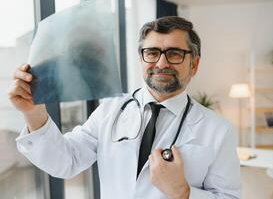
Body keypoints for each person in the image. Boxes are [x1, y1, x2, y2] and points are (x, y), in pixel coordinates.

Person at [9, 16, 241, 199]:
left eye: (174, 54)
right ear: (141, 59)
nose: (161, 63)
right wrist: (33, 112)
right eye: (152, 53)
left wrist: (183, 193)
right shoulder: (110, 110)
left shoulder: (218, 131)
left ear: (194, 64)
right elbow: (65, 162)